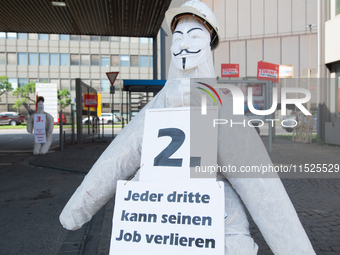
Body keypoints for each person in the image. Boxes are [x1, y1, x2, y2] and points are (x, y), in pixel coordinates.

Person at [60, 1, 315, 254]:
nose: (183, 44)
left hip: (160, 220)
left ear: (209, 42)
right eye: (178, 37)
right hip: (180, 219)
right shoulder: (212, 105)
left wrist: (76, 211)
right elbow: (117, 157)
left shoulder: (199, 106)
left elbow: (261, 186)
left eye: (194, 36)